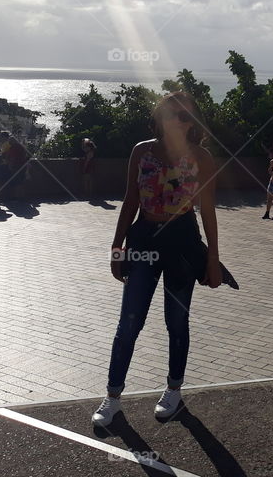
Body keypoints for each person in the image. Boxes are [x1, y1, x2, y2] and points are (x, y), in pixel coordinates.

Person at [92, 92, 229, 428]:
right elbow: (130, 200)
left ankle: (174, 391)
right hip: (143, 240)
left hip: (182, 241)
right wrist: (116, 246)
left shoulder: (201, 157)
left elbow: (207, 209)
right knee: (129, 323)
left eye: (185, 116)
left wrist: (213, 258)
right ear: (159, 117)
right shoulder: (142, 151)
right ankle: (112, 398)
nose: (178, 121)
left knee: (176, 322)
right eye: (172, 114)